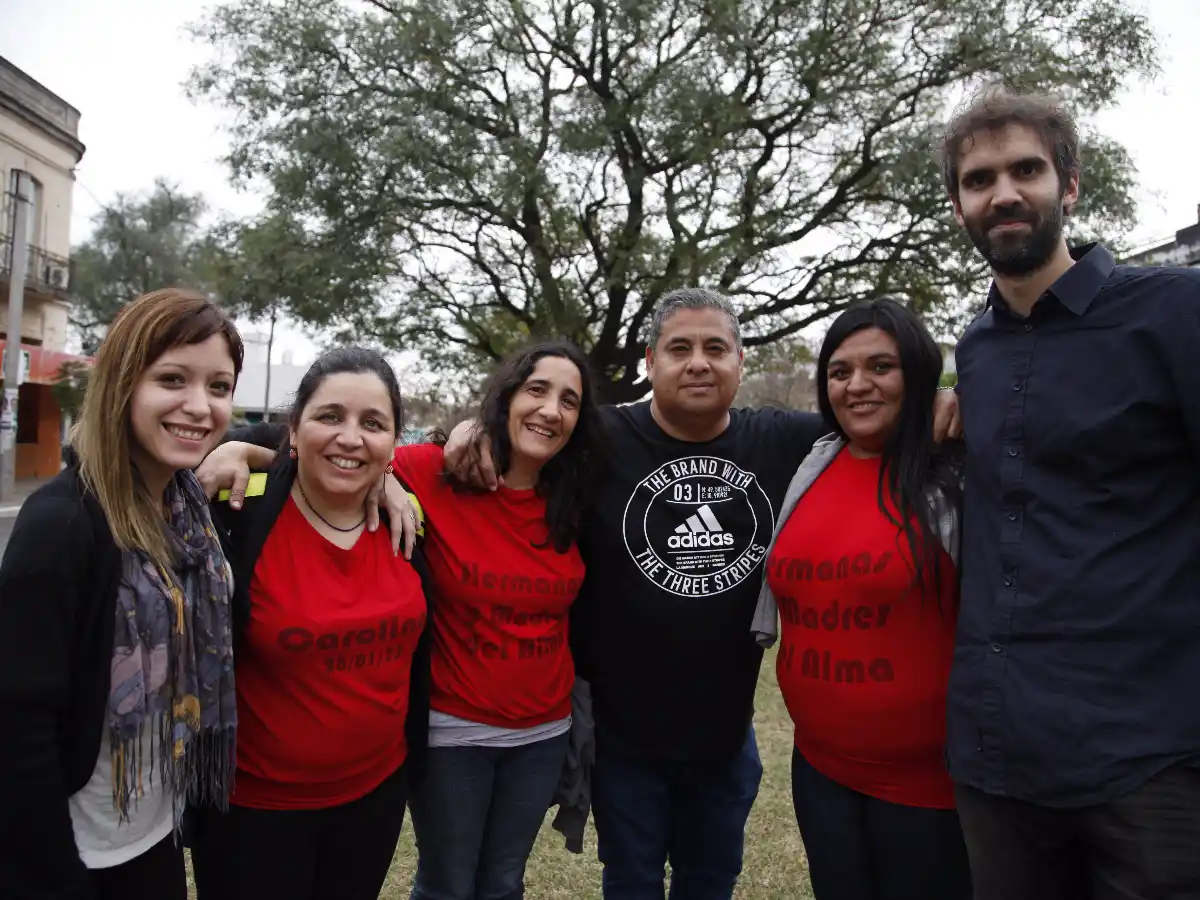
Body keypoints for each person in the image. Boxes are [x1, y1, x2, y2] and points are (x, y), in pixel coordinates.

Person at [442, 289, 962, 900]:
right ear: (649, 360)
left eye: (716, 348)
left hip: (726, 737)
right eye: (679, 348)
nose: (698, 363)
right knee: (631, 882)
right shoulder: (598, 437)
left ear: (741, 362)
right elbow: (528, 424)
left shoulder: (787, 440)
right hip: (622, 740)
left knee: (711, 882)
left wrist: (949, 397)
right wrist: (472, 427)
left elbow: (874, 408)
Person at [196, 338, 607, 899]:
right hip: (445, 735)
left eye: (569, 400)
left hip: (530, 737)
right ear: (506, 397)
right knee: (446, 885)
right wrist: (241, 447)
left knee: (504, 882)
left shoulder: (579, 496)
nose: (550, 409)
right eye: (536, 389)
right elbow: (331, 451)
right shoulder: (432, 476)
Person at [939, 84, 1200, 899]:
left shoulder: (1174, 314)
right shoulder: (974, 351)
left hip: (1148, 760)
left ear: (1070, 184)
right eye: (979, 180)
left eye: (1026, 170)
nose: (1004, 192)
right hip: (998, 756)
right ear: (959, 206)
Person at [0, 288, 243, 900]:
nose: (200, 406)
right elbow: (17, 727)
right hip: (77, 855)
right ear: (122, 383)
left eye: (219, 387)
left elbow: (299, 443)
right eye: (172, 379)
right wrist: (54, 877)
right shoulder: (62, 524)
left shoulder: (189, 509)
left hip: (154, 834)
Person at [188, 346, 429, 900]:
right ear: (292, 430)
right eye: (330, 416)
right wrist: (236, 447)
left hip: (376, 797)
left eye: (373, 424)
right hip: (254, 810)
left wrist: (391, 483)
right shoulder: (234, 512)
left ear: (394, 441)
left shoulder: (407, 520)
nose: (351, 437)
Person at [750, 298, 970, 900]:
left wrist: (967, 396)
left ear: (919, 374)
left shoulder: (958, 472)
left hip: (931, 788)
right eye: (840, 371)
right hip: (819, 769)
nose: (857, 385)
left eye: (881, 367)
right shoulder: (814, 462)